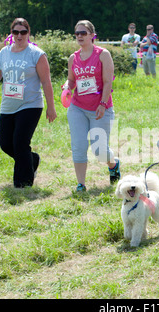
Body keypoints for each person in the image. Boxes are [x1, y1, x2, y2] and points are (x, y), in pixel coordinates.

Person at [0, 18, 56, 189]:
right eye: (16, 32)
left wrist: (51, 107)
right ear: (11, 33)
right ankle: (32, 159)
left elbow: (46, 81)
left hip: (30, 104)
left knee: (20, 142)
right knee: (6, 144)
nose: (19, 35)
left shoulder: (36, 54)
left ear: (28, 33)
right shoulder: (4, 53)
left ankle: (23, 184)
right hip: (8, 106)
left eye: (23, 32)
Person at [62, 20, 119, 192]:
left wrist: (103, 104)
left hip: (100, 108)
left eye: (83, 33)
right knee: (78, 145)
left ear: (92, 35)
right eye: (77, 33)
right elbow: (72, 80)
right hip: (77, 107)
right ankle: (81, 184)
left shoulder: (103, 54)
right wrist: (67, 86)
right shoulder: (73, 57)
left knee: (99, 150)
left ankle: (113, 164)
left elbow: (108, 81)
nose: (79, 36)